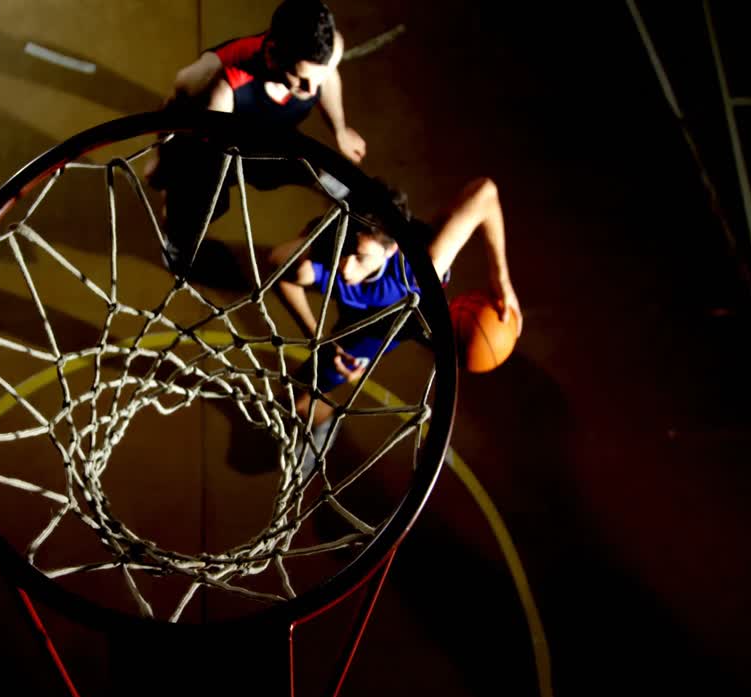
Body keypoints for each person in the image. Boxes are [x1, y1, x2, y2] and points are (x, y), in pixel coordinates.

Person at [268, 177, 523, 472]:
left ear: (390, 251)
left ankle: (341, 184)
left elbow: (485, 192)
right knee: (295, 397)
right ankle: (324, 420)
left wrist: (501, 280)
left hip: (403, 319)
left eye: (360, 257)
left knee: (447, 325)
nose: (347, 267)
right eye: (347, 248)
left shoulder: (420, 268)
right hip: (362, 321)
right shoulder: (333, 253)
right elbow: (278, 265)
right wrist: (320, 338)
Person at [148, 0, 366, 281]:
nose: (311, 90)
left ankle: (358, 212)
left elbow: (328, 77)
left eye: (317, 79)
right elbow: (175, 104)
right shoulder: (217, 79)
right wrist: (162, 156)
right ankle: (178, 250)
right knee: (199, 205)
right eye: (300, 79)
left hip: (270, 136)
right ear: (273, 54)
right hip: (212, 145)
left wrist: (340, 129)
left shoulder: (327, 50)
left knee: (317, 169)